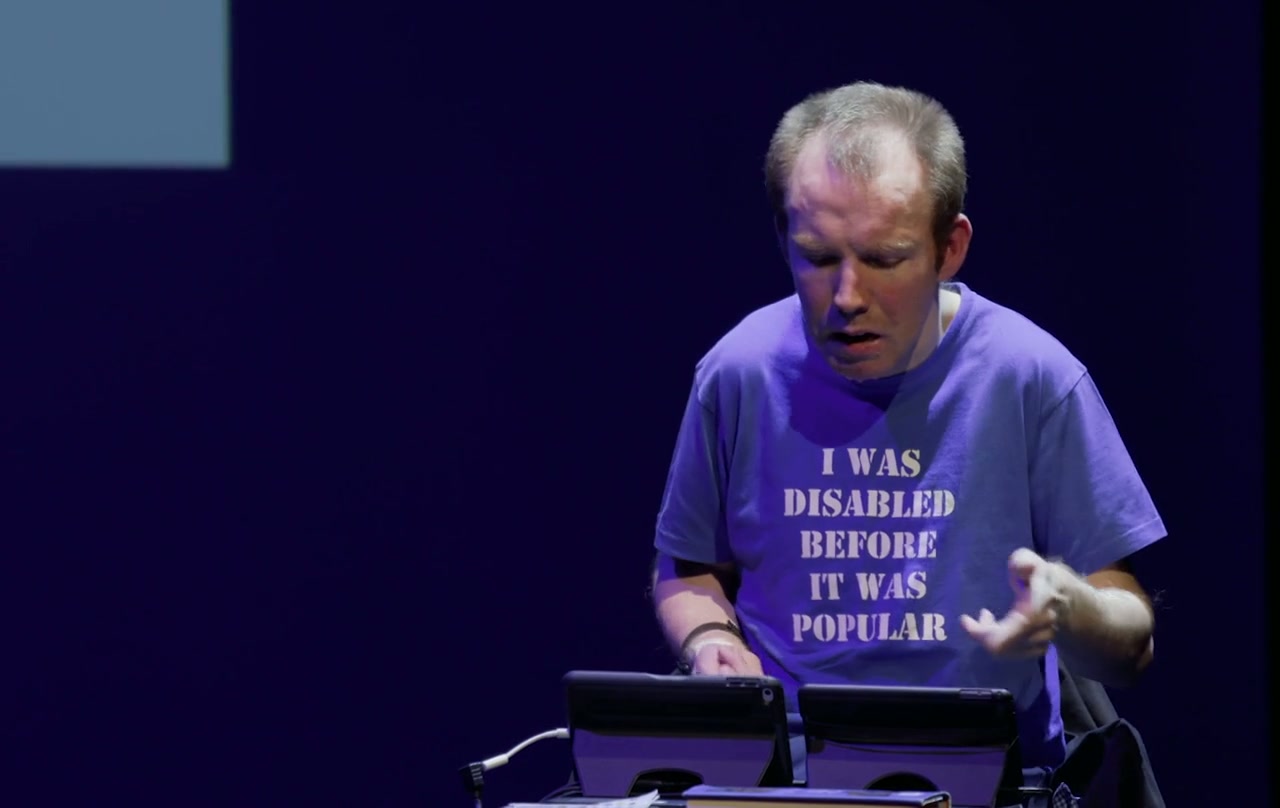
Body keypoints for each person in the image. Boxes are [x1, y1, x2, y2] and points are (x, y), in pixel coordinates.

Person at [649, 81, 1165, 786]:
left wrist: (1072, 608)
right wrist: (709, 638)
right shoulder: (738, 371)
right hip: (783, 782)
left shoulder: (1030, 377)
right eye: (817, 257)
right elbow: (687, 567)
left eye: (884, 259)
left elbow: (1131, 648)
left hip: (985, 777)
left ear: (950, 248)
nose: (847, 297)